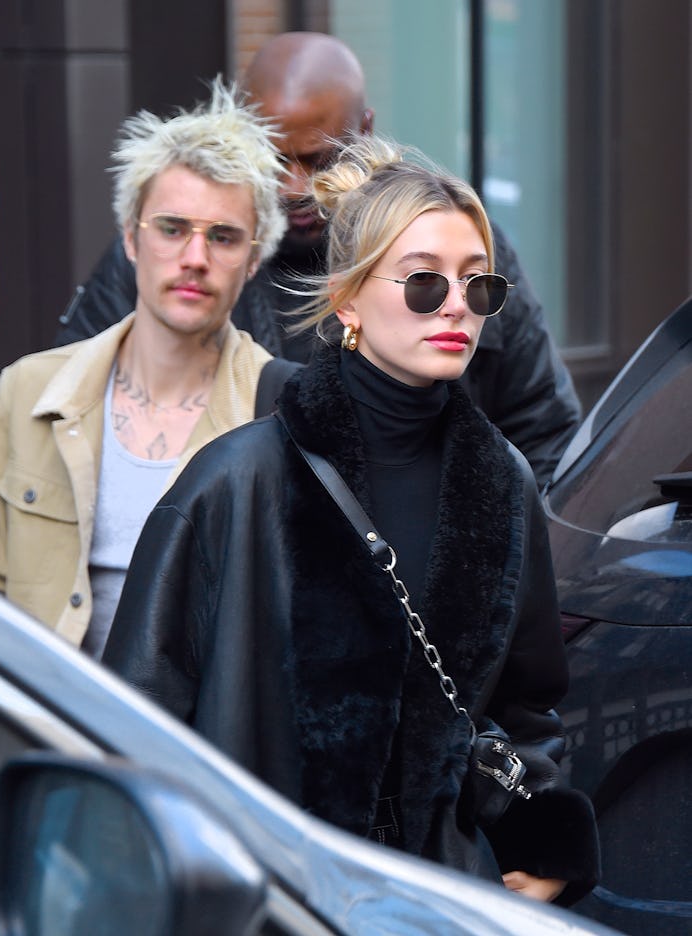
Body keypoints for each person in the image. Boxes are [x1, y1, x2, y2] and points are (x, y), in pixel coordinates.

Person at [103, 136, 600, 904]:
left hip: (441, 897)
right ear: (348, 298)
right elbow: (136, 720)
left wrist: (541, 856)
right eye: (425, 282)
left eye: (479, 284)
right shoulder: (237, 483)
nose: (459, 306)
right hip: (269, 897)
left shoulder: (502, 482)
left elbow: (527, 704)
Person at [55, 31, 582, 490]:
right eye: (274, 157)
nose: (296, 186)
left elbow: (545, 432)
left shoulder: (461, 254)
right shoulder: (180, 256)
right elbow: (69, 407)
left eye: (322, 158)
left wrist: (500, 566)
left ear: (367, 130)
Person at [0, 80, 286, 657]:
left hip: (197, 743)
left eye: (223, 237)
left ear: (252, 261)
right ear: (130, 238)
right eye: (172, 228)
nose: (194, 258)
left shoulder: (279, 412)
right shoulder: (29, 390)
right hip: (46, 730)